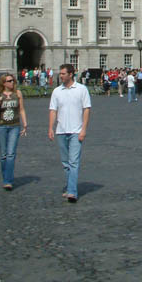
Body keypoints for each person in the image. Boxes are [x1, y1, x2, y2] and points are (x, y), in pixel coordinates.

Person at [48, 64, 91, 203]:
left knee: (73, 162)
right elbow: (53, 110)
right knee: (65, 163)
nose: (61, 76)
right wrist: (50, 128)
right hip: (61, 131)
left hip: (76, 131)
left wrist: (84, 129)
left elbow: (86, 110)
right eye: (60, 74)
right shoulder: (56, 91)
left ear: (71, 74)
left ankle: (72, 191)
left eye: (63, 73)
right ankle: (69, 187)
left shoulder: (81, 89)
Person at [0, 73, 27, 190]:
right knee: (3, 155)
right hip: (1, 126)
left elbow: (22, 109)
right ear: (3, 83)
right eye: (9, 81)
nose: (12, 83)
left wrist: (25, 123)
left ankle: (8, 180)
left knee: (11, 154)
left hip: (14, 126)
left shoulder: (18, 93)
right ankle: (6, 177)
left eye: (13, 80)